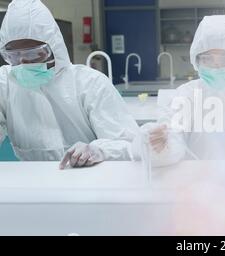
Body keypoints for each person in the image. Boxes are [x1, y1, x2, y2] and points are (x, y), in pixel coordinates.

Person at [0, 0, 141, 169]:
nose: (23, 63)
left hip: (91, 182)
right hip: (33, 184)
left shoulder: (90, 84)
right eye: (14, 56)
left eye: (34, 54)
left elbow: (130, 144)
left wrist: (99, 150)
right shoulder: (6, 83)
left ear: (54, 48)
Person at [149, 15, 225, 160]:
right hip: (198, 179)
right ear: (196, 61)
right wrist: (161, 143)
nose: (217, 67)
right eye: (207, 59)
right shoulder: (188, 95)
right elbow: (172, 135)